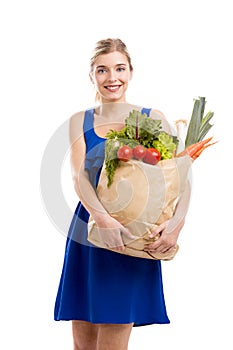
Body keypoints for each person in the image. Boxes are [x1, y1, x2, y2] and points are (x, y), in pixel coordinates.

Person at [54, 38, 191, 350]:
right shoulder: (80, 120)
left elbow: (180, 176)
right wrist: (101, 218)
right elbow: (79, 176)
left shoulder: (151, 116)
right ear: (92, 76)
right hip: (90, 231)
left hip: (132, 233)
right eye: (102, 70)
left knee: (114, 339)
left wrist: (176, 224)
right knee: (82, 343)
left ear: (131, 71)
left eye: (119, 68)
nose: (111, 77)